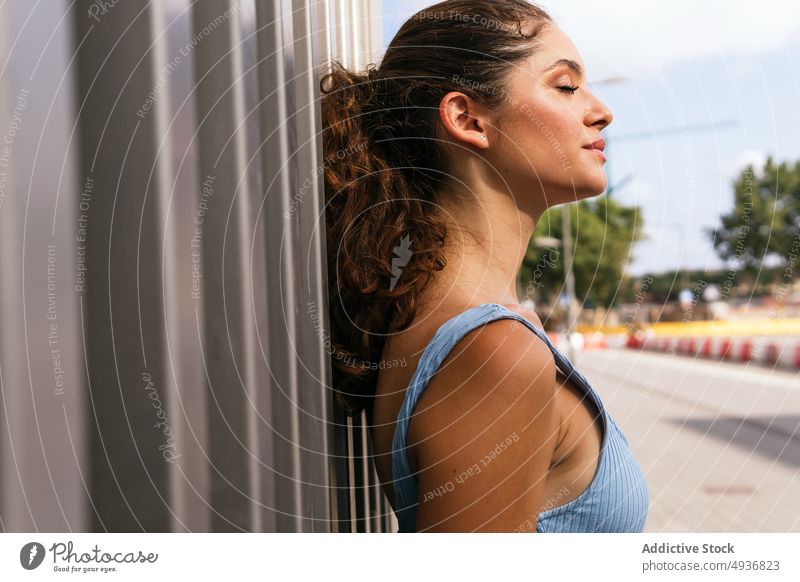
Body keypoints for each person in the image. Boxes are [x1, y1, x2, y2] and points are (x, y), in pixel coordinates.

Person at [320, 0, 649, 532]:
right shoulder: (495, 352)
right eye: (565, 86)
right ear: (468, 119)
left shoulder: (482, 330)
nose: (601, 110)